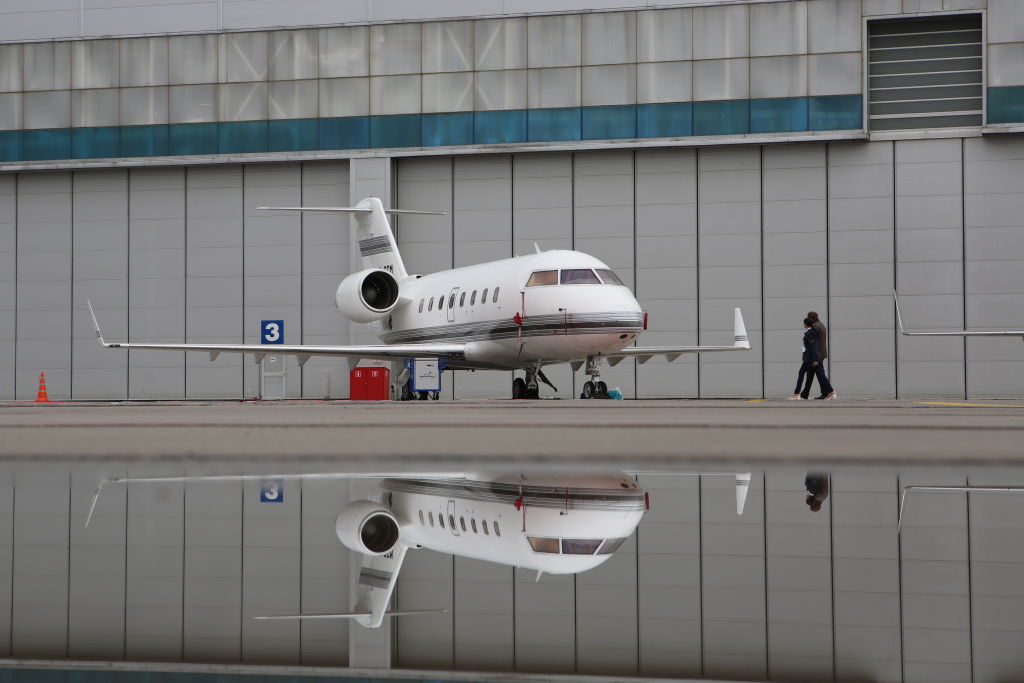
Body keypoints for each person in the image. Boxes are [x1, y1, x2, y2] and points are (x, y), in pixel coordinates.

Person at [789, 318, 822, 400]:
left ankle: (796, 393)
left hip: (809, 358)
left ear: (806, 324)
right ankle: (828, 391)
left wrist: (815, 359)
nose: (803, 325)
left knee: (801, 373)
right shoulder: (811, 332)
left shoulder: (810, 333)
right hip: (811, 358)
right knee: (818, 375)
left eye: (804, 323)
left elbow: (813, 346)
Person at [807, 311, 837, 400]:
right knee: (820, 373)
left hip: (817, 354)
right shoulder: (821, 325)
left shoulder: (815, 326)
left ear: (811, 318)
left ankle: (830, 391)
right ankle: (824, 393)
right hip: (821, 352)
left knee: (820, 374)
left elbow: (814, 342)